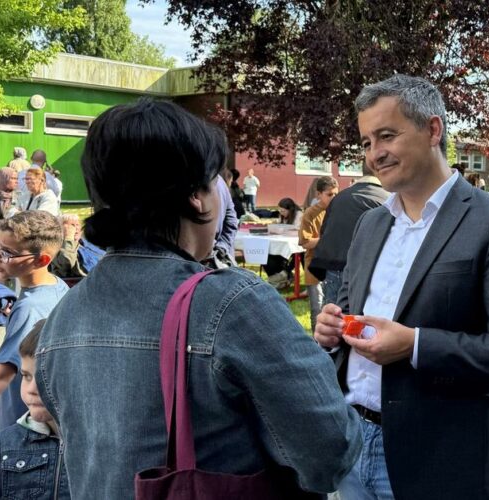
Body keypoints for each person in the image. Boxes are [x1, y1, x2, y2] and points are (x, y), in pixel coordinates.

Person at [35, 99, 361, 498]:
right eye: (215, 181)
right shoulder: (232, 304)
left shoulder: (65, 311)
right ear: (196, 196)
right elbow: (329, 452)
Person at [314, 75, 489, 500]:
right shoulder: (370, 223)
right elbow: (349, 313)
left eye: (386, 135)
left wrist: (414, 345)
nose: (374, 154)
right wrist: (331, 331)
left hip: (440, 459)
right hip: (352, 443)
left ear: (433, 130)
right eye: (365, 142)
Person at [0, 211, 68, 430]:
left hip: (16, 426)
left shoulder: (29, 308)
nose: (0, 257)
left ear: (41, 259)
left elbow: (3, 376)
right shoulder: (56, 285)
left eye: (7, 253)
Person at [0, 319, 69, 498]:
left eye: (44, 377)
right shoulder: (4, 444)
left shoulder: (99, 447)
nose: (31, 389)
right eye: (26, 376)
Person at [309, 165, 388, 306]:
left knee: (334, 320)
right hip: (370, 270)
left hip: (335, 266)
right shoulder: (388, 199)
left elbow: (324, 232)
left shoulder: (339, 198)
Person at [299, 176, 338, 329]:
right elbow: (305, 242)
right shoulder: (310, 213)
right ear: (318, 195)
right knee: (317, 307)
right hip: (314, 264)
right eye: (330, 194)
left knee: (332, 306)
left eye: (336, 194)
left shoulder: (339, 210)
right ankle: (316, 343)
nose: (334, 198)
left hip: (334, 265)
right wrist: (327, 239)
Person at [50, 214, 105, 278]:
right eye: (72, 225)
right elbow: (67, 263)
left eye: (77, 225)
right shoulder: (55, 247)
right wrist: (69, 238)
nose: (75, 228)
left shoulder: (88, 243)